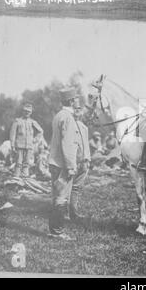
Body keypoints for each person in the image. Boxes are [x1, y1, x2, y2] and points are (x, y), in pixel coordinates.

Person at [48, 88, 80, 240]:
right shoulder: (68, 117)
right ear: (72, 101)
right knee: (61, 197)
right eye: (76, 99)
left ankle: (54, 230)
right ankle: (58, 232)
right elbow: (67, 144)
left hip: (55, 162)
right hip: (62, 164)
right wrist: (70, 166)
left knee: (56, 197)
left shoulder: (58, 115)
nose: (77, 101)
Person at [10, 102, 44, 177]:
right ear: (23, 111)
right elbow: (13, 134)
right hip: (19, 145)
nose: (27, 113)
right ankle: (16, 177)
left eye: (29, 112)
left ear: (31, 113)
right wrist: (12, 145)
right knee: (18, 162)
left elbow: (40, 131)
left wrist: (35, 140)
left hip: (29, 145)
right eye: (25, 111)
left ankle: (25, 178)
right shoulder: (17, 121)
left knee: (26, 163)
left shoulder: (32, 122)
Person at [69, 102, 91, 221]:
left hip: (84, 161)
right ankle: (64, 212)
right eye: (75, 108)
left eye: (79, 108)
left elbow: (86, 145)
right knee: (67, 187)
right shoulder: (69, 125)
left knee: (76, 188)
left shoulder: (84, 127)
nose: (77, 110)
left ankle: (74, 212)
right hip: (73, 161)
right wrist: (72, 161)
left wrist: (88, 159)